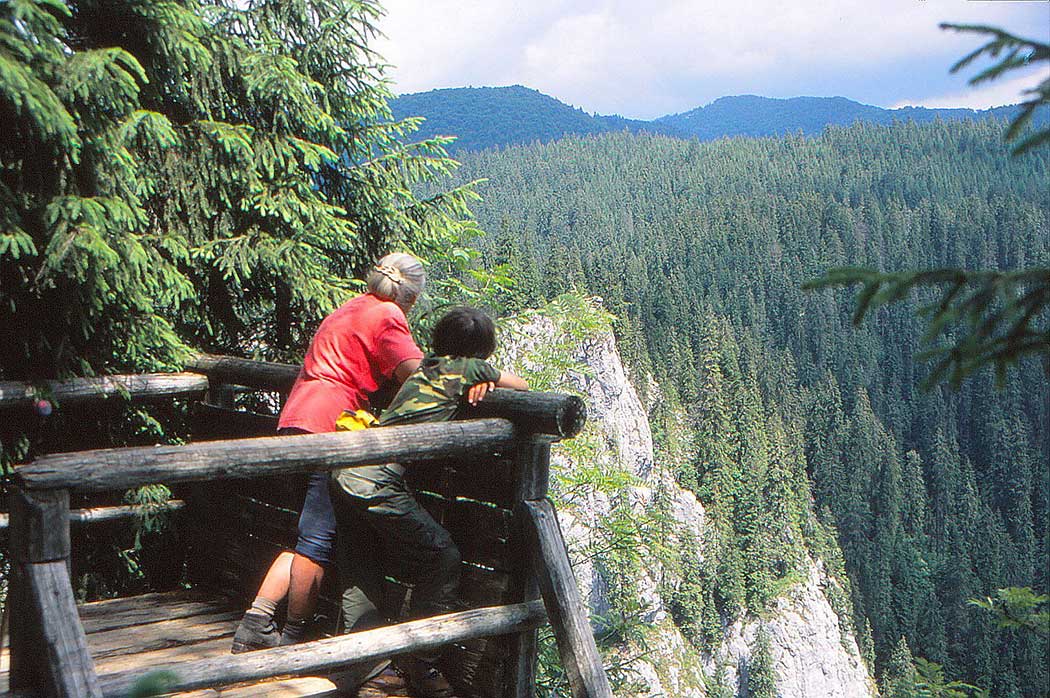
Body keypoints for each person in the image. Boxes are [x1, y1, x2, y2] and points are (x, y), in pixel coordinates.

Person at [231, 252, 427, 653]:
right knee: (316, 540)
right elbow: (417, 372)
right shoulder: (388, 314)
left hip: (297, 416)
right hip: (330, 425)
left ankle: (257, 620)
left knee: (304, 534)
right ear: (410, 297)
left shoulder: (352, 306)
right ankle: (293, 639)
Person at [330, 306, 528, 697]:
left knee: (360, 564)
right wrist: (486, 378)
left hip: (346, 470)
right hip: (375, 478)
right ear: (483, 350)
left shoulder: (425, 366)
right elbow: (521, 385)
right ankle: (423, 664)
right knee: (442, 556)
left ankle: (369, 668)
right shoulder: (469, 368)